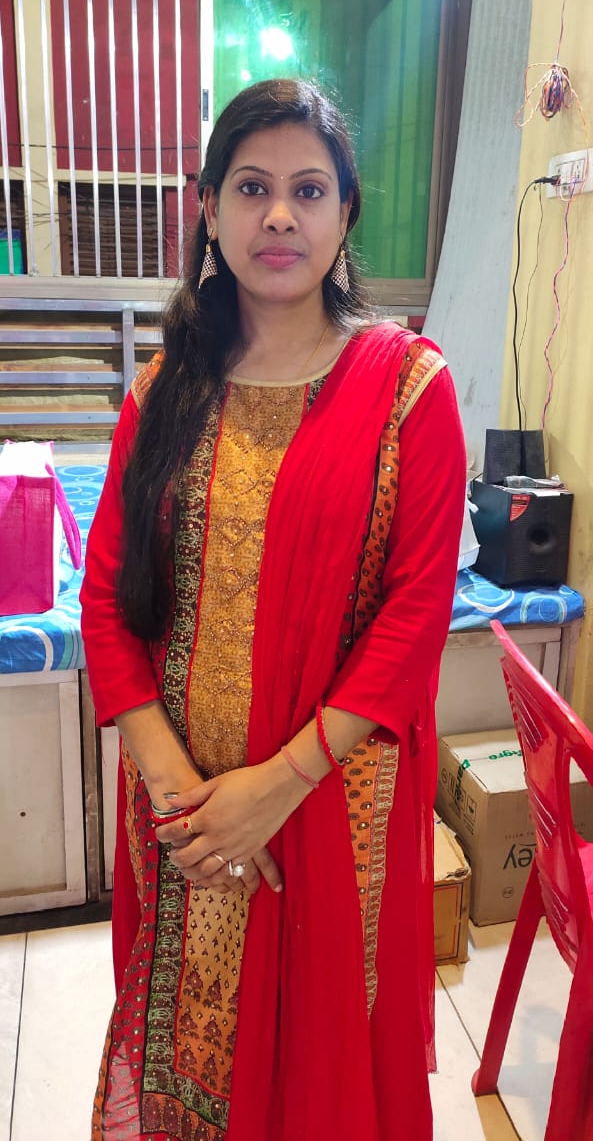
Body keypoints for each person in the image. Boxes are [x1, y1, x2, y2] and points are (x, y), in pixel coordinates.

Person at [80, 77, 466, 1141]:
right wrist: (182, 799)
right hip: (182, 815)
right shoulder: (163, 390)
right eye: (251, 188)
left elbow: (413, 618)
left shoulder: (408, 388)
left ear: (345, 213)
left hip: (331, 803)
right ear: (208, 209)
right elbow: (105, 602)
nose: (280, 215)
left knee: (320, 1068)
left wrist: (275, 787)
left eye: (308, 189)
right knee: (186, 1062)